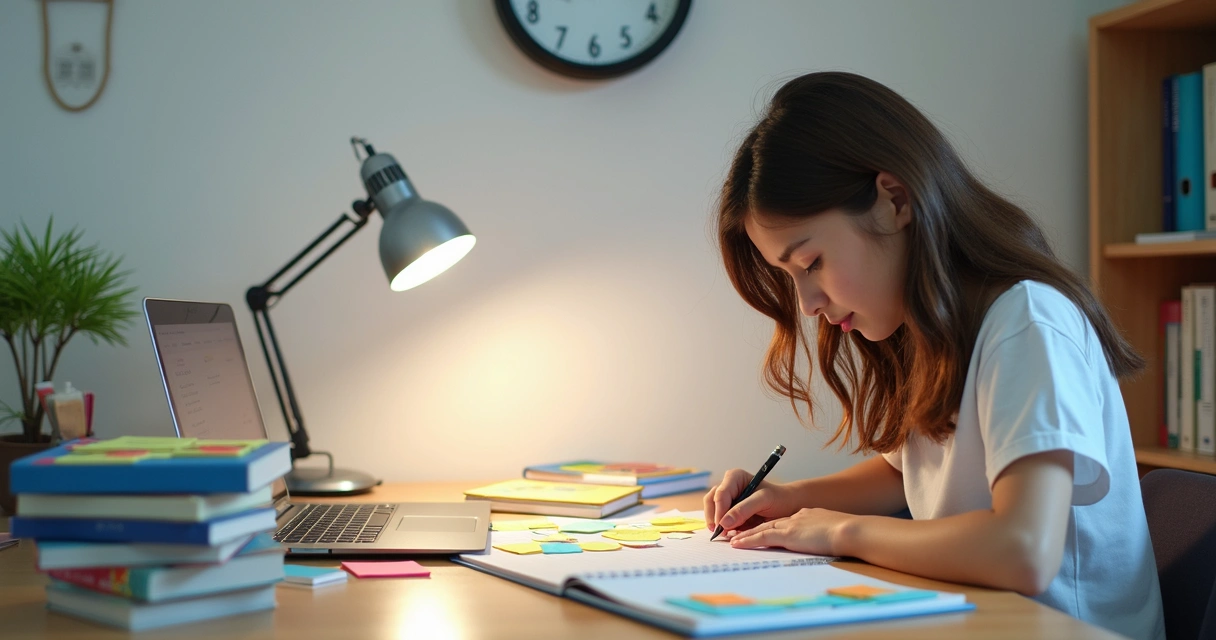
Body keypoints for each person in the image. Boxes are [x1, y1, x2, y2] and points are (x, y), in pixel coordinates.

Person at [705, 71, 1163, 640]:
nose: (808, 304)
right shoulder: (929, 327)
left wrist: (840, 531)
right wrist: (788, 500)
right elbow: (904, 476)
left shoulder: (1027, 324)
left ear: (894, 201)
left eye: (811, 263)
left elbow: (1024, 550)